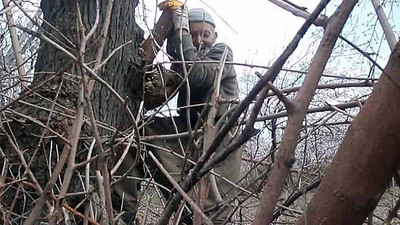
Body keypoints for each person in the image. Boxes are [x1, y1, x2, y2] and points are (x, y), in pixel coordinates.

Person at [114, 3, 241, 225]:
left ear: (215, 36)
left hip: (217, 141)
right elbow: (154, 99)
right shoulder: (183, 64)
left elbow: (198, 73)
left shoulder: (222, 53)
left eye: (205, 34)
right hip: (187, 136)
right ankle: (122, 215)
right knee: (134, 135)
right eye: (193, 35)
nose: (200, 40)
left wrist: (181, 28)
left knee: (207, 215)